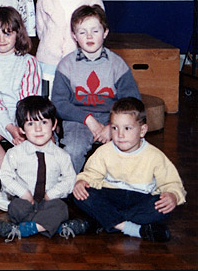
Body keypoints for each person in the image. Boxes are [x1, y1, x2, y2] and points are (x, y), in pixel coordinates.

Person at [73, 97, 186, 242]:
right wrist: (82, 182)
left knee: (161, 207)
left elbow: (172, 182)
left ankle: (101, 221)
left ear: (142, 130)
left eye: (127, 128)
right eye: (114, 128)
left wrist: (173, 195)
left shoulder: (155, 156)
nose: (120, 135)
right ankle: (133, 229)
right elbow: (91, 174)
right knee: (80, 195)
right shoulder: (103, 152)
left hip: (139, 199)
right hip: (111, 196)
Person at [51, 5, 141, 173]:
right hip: (78, 118)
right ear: (74, 36)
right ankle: (69, 191)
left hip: (112, 118)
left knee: (127, 145)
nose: (89, 36)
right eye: (82, 32)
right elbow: (59, 102)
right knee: (73, 149)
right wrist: (88, 119)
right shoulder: (66, 65)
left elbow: (132, 101)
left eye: (95, 31)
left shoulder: (117, 64)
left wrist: (112, 125)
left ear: (105, 32)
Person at [0, 96, 88, 242]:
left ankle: (25, 229)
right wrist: (23, 193)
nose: (38, 129)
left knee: (61, 208)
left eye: (44, 122)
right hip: (26, 201)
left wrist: (52, 194)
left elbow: (70, 179)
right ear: (21, 129)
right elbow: (5, 177)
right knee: (15, 207)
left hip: (50, 201)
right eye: (31, 124)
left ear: (53, 124)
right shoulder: (15, 153)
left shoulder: (61, 155)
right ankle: (54, 227)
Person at [0, 6, 42, 176]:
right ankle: (11, 180)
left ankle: (37, 181)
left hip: (24, 115)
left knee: (47, 138)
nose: (2, 39)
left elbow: (28, 100)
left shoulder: (29, 62)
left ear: (18, 34)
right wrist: (10, 128)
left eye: (8, 33)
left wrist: (22, 126)